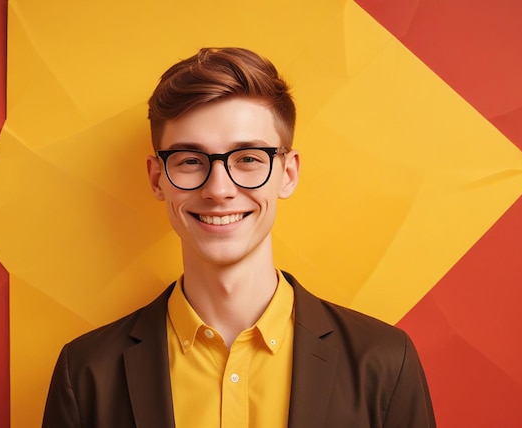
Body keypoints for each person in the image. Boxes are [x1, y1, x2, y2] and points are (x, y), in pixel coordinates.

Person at [42, 47, 436, 428]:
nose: (218, 189)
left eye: (247, 158)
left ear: (288, 173)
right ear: (157, 177)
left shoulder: (385, 362)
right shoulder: (86, 373)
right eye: (191, 160)